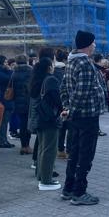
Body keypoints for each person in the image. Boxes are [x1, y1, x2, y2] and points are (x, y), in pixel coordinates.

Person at [59, 30, 106, 206]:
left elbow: (63, 87)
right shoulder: (85, 62)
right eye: (93, 43)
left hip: (76, 116)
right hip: (86, 115)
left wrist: (67, 107)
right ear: (87, 45)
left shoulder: (71, 61)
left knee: (74, 152)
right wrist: (72, 109)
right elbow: (82, 92)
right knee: (85, 154)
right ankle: (79, 192)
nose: (95, 45)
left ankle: (68, 189)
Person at [35, 58, 62, 191]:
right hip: (50, 118)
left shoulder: (41, 79)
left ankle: (41, 176)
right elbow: (56, 98)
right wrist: (63, 107)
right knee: (49, 150)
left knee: (42, 148)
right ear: (49, 67)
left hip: (42, 118)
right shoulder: (51, 80)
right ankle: (46, 180)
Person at [29, 57, 52, 169]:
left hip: (36, 114)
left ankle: (36, 161)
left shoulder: (35, 79)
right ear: (48, 68)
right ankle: (41, 165)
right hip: (43, 115)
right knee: (44, 142)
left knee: (40, 140)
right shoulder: (47, 80)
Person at [12, 54, 33, 154]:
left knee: (22, 124)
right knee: (27, 124)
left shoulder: (14, 72)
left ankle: (22, 145)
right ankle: (27, 146)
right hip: (28, 101)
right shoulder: (30, 71)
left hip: (17, 101)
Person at [0, 55, 15, 148]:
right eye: (5, 62)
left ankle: (4, 140)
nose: (7, 64)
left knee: (5, 122)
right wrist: (9, 69)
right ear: (1, 63)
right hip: (4, 99)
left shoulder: (0, 71)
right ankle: (2, 141)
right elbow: (10, 78)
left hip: (4, 99)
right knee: (3, 122)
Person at [54, 49, 69, 159]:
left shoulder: (52, 70)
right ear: (65, 59)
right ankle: (68, 150)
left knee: (61, 128)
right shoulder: (67, 71)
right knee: (70, 127)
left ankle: (60, 149)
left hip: (55, 103)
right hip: (66, 103)